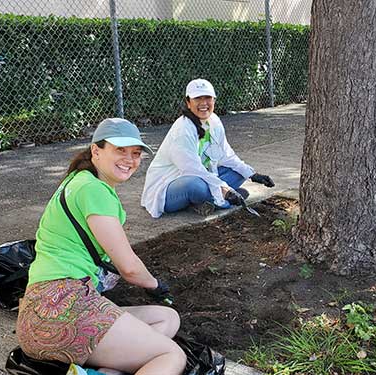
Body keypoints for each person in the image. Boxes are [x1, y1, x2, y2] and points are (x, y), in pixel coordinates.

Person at [16, 118, 186, 374]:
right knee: (170, 354)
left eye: (136, 154)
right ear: (96, 150)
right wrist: (156, 285)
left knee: (167, 319)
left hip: (41, 313)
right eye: (120, 150)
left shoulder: (80, 180)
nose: (129, 159)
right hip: (65, 310)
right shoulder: (93, 190)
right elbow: (128, 267)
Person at [142, 78, 275, 218]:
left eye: (208, 98)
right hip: (172, 185)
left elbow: (227, 155)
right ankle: (221, 202)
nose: (203, 103)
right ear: (188, 102)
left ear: (214, 100)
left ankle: (205, 202)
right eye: (198, 98)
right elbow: (191, 170)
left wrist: (253, 175)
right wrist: (226, 189)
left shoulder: (214, 121)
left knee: (240, 172)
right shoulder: (183, 130)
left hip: (203, 176)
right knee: (196, 186)